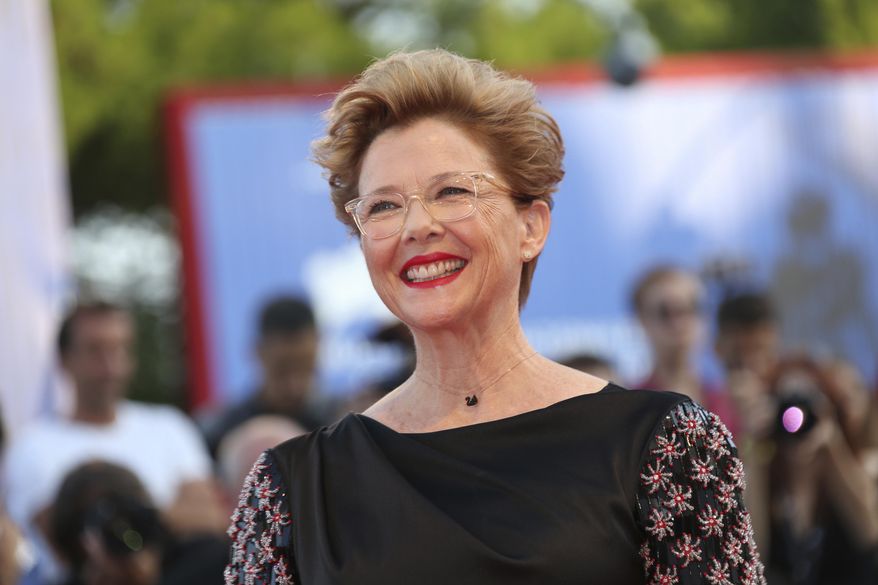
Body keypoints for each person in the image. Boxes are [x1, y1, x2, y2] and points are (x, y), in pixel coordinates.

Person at [225, 49, 765, 584]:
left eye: (452, 192)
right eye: (384, 206)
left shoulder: (661, 445)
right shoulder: (291, 491)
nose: (417, 225)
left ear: (531, 227)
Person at [2, 301, 225, 581]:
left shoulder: (169, 426)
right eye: (95, 350)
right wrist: (159, 519)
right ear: (65, 359)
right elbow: (58, 537)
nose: (110, 366)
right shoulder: (32, 445)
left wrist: (118, 520)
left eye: (119, 349)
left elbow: (210, 518)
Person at [200, 295, 333, 458]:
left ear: (319, 347)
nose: (294, 385)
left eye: (304, 368)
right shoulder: (219, 432)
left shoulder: (338, 422)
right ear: (258, 351)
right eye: (282, 369)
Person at [631, 265, 738, 436]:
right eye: (664, 312)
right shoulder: (631, 407)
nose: (679, 323)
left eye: (692, 308)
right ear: (641, 320)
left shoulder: (729, 400)